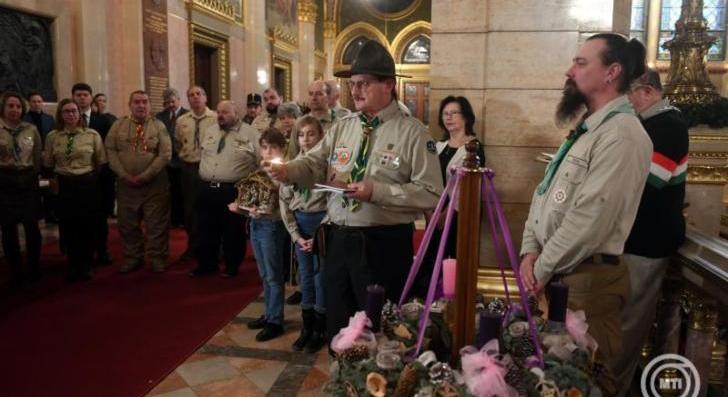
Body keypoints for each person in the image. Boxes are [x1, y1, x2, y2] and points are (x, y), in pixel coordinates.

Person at [263, 40, 443, 339]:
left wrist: (377, 191)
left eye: (364, 84)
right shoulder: (343, 128)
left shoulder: (412, 133)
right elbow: (313, 163)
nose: (355, 90)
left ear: (388, 85)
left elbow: (432, 194)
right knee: (339, 325)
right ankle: (342, 380)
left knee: (380, 331)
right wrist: (286, 170)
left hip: (382, 245)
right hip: (339, 240)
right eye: (353, 84)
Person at [518, 33, 652, 396]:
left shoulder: (622, 135)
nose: (569, 71)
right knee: (553, 382)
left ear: (612, 72)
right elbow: (544, 194)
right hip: (559, 273)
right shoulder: (588, 130)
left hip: (587, 281)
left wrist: (540, 270)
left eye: (580, 63)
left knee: (587, 380)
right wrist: (530, 250)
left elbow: (590, 221)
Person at [615, 70, 689, 395]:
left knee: (631, 323)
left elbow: (651, 181)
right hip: (634, 237)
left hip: (649, 240)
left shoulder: (668, 126)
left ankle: (614, 386)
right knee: (621, 319)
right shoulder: (650, 124)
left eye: (629, 95)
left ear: (646, 92)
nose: (628, 103)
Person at [417, 96, 485, 296]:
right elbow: (426, 178)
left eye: (454, 113)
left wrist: (446, 214)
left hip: (457, 216)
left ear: (465, 117)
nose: (449, 117)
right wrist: (430, 211)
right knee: (430, 261)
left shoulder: (473, 147)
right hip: (433, 211)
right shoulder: (437, 146)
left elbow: (468, 187)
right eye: (445, 114)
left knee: (451, 260)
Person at [231, 128, 288, 342]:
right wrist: (243, 207)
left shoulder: (284, 171)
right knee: (264, 274)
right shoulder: (260, 169)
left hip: (272, 225)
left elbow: (282, 197)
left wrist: (261, 209)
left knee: (274, 275)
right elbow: (256, 196)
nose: (268, 151)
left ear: (282, 149)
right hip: (256, 223)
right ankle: (269, 314)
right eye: (264, 147)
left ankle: (276, 320)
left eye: (273, 147)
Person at [105, 90, 172, 273]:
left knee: (156, 223)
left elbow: (165, 154)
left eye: (144, 102)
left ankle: (158, 257)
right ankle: (133, 257)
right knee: (128, 224)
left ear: (150, 105)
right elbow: (110, 150)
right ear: (130, 105)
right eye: (137, 102)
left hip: (154, 185)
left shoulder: (159, 126)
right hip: (126, 185)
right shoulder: (118, 125)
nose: (141, 105)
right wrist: (124, 175)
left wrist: (145, 175)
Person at [190, 100, 258, 278]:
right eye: (219, 112)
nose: (220, 115)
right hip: (207, 188)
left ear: (236, 113)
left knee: (232, 231)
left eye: (226, 112)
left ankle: (231, 265)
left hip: (233, 190)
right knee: (205, 229)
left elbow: (260, 163)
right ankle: (207, 264)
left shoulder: (250, 133)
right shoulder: (210, 131)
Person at [44, 98, 107, 282]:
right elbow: (48, 162)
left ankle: (87, 263)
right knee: (68, 225)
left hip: (86, 184)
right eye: (66, 111)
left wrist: (90, 179)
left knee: (87, 225)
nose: (71, 114)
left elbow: (100, 162)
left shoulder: (92, 135)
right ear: (60, 115)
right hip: (64, 185)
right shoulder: (53, 137)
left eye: (74, 111)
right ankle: (73, 262)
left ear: (80, 114)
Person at [279, 116, 328, 353]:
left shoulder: (326, 166)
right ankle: (306, 327)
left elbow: (333, 200)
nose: (305, 139)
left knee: (321, 278)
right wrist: (296, 235)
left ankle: (320, 328)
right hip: (300, 226)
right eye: (301, 134)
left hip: (322, 225)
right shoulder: (289, 166)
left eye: (311, 133)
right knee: (306, 277)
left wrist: (319, 233)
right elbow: (284, 203)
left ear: (320, 137)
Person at [0, 91, 42, 283]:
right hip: (4, 181)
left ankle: (34, 267)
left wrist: (32, 177)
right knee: (8, 228)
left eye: (18, 106)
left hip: (27, 180)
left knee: (31, 225)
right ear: (3, 107)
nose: (14, 110)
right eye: (10, 106)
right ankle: (15, 270)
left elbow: (37, 156)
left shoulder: (30, 129)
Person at [72, 82, 114, 265]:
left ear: (91, 98)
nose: (82, 98)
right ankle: (81, 253)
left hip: (100, 177)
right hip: (76, 179)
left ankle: (102, 251)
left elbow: (110, 148)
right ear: (73, 97)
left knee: (100, 217)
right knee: (80, 218)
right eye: (78, 95)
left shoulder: (103, 120)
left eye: (85, 95)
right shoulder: (67, 120)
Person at [174, 85, 216, 261]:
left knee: (211, 208)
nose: (195, 97)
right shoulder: (182, 120)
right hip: (189, 168)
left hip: (209, 167)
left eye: (199, 94)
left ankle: (214, 248)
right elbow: (177, 144)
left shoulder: (215, 118)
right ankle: (193, 247)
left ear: (205, 98)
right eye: (191, 95)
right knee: (191, 210)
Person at [156, 88, 189, 228]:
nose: (170, 104)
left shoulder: (187, 115)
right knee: (169, 192)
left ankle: (183, 219)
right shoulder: (160, 116)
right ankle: (173, 219)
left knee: (183, 191)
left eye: (172, 101)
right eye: (167, 102)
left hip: (182, 160)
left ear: (179, 100)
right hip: (166, 162)